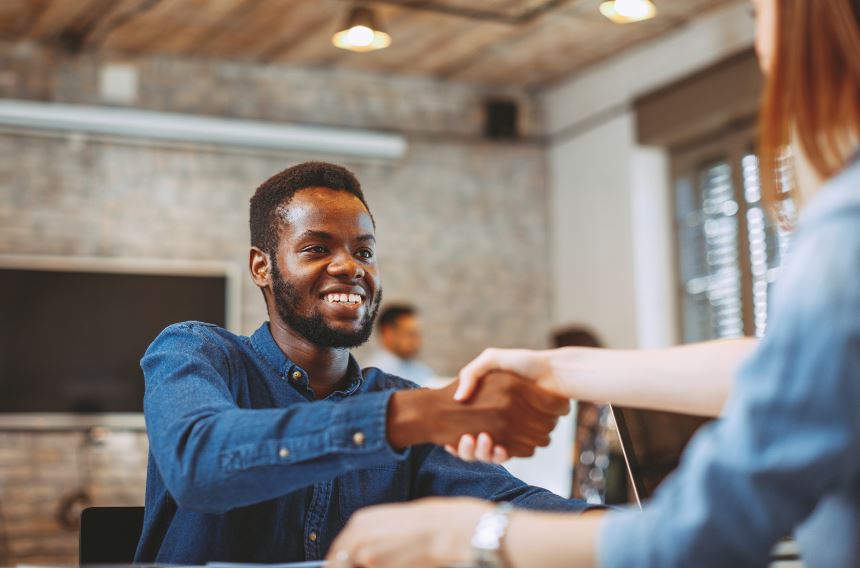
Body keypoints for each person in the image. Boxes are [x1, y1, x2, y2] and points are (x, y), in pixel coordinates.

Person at [327, 0, 860, 566]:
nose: (759, 40)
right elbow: (791, 372)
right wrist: (558, 368)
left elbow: (702, 532)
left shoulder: (844, 228)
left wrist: (477, 536)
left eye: (759, 13)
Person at [133, 161, 591, 564]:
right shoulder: (195, 351)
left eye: (364, 252)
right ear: (262, 267)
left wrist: (643, 532)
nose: (350, 267)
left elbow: (511, 501)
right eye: (317, 248)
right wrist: (412, 417)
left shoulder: (398, 397)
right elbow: (199, 463)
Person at [365, 304, 436, 386]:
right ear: (388, 333)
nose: (418, 341)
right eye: (411, 334)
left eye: (419, 334)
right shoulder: (374, 375)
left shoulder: (421, 370)